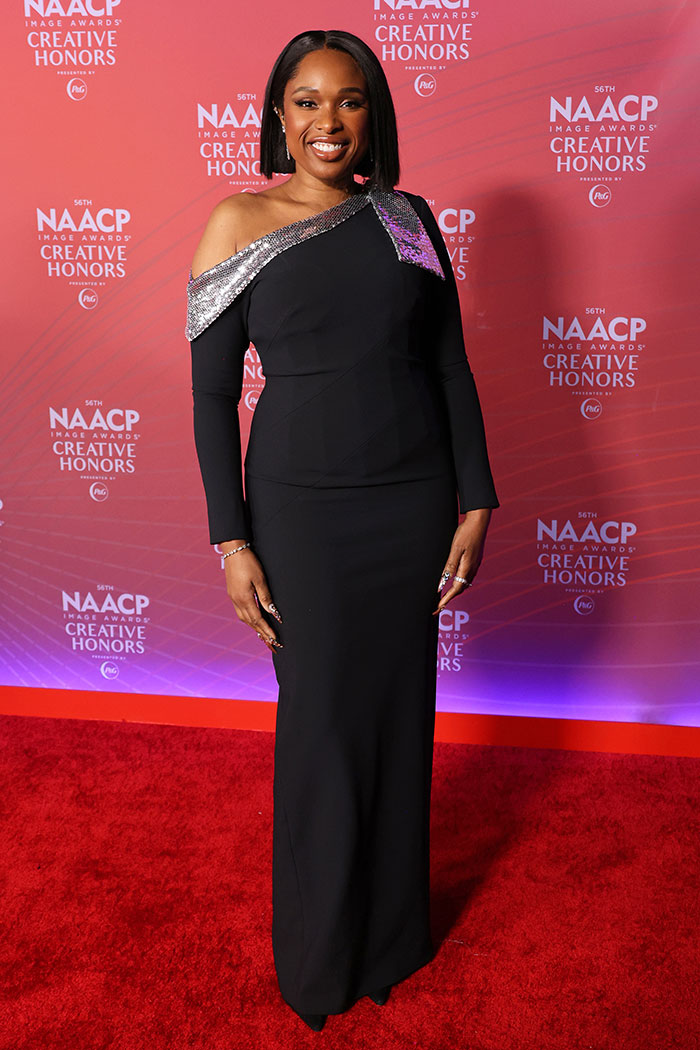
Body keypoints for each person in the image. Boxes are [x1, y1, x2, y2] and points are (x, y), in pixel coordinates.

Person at [186, 28, 499, 1033]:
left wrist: (476, 498)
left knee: (399, 718)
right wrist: (230, 541)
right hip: (303, 513)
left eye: (350, 100)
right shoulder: (237, 220)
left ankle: (393, 938)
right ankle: (321, 961)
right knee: (320, 730)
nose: (329, 122)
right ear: (277, 115)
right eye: (308, 102)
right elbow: (207, 401)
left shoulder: (407, 220)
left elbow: (449, 368)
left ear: (375, 114)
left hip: (408, 503)